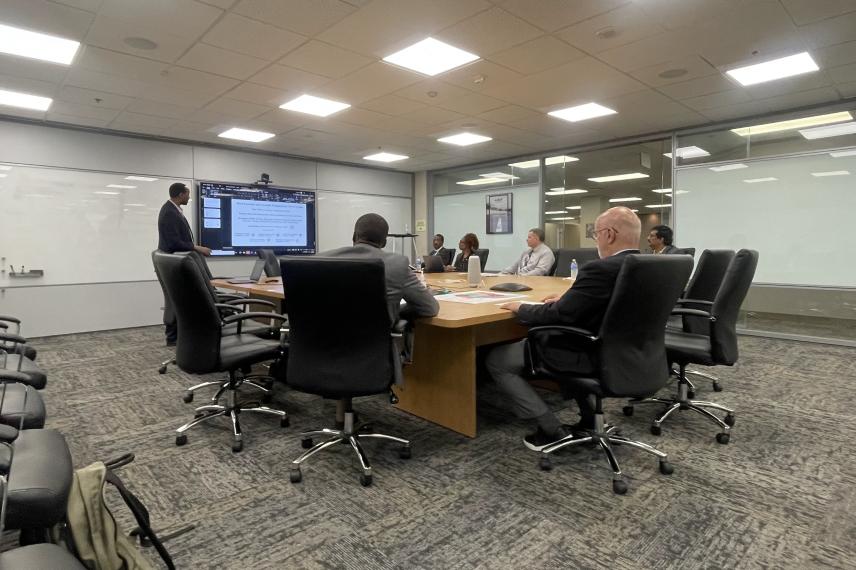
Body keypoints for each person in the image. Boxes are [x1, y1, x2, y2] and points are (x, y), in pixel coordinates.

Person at [485, 207, 642, 451]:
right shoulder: (647, 265)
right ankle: (590, 418)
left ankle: (550, 429)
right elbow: (612, 304)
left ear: (609, 235)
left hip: (588, 350)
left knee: (496, 360)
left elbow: (556, 315)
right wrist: (568, 300)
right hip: (633, 351)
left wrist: (520, 306)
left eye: (596, 234)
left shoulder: (600, 269)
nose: (596, 239)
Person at [321, 213, 439, 323]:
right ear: (384, 243)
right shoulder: (397, 264)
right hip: (375, 344)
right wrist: (394, 311)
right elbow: (429, 308)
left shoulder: (319, 260)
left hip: (318, 343)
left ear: (354, 236)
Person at [157, 182, 211, 346]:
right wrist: (197, 248)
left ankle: (176, 336)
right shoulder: (169, 212)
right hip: (175, 264)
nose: (189, 197)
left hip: (175, 263)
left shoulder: (173, 210)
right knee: (178, 299)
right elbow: (174, 243)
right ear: (181, 194)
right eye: (187, 194)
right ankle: (173, 337)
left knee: (177, 300)